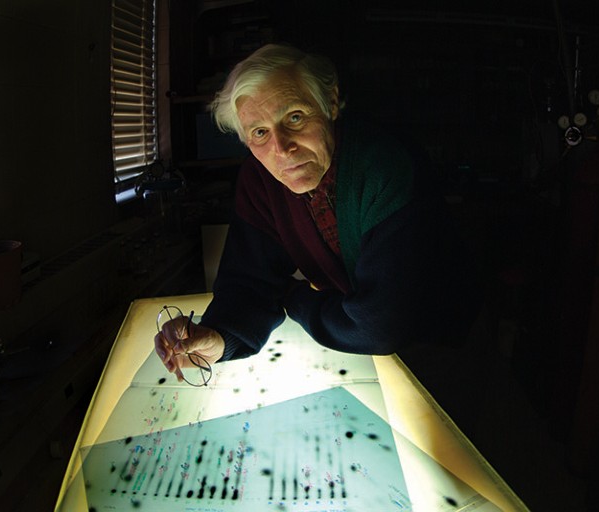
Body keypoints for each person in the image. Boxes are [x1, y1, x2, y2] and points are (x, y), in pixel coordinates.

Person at [155, 43, 484, 388]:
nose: (281, 149)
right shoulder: (260, 179)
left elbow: (380, 325)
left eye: (294, 117)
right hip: (363, 340)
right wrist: (219, 337)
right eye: (260, 133)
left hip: (442, 333)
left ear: (329, 102)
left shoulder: (383, 166)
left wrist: (291, 298)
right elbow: (249, 282)